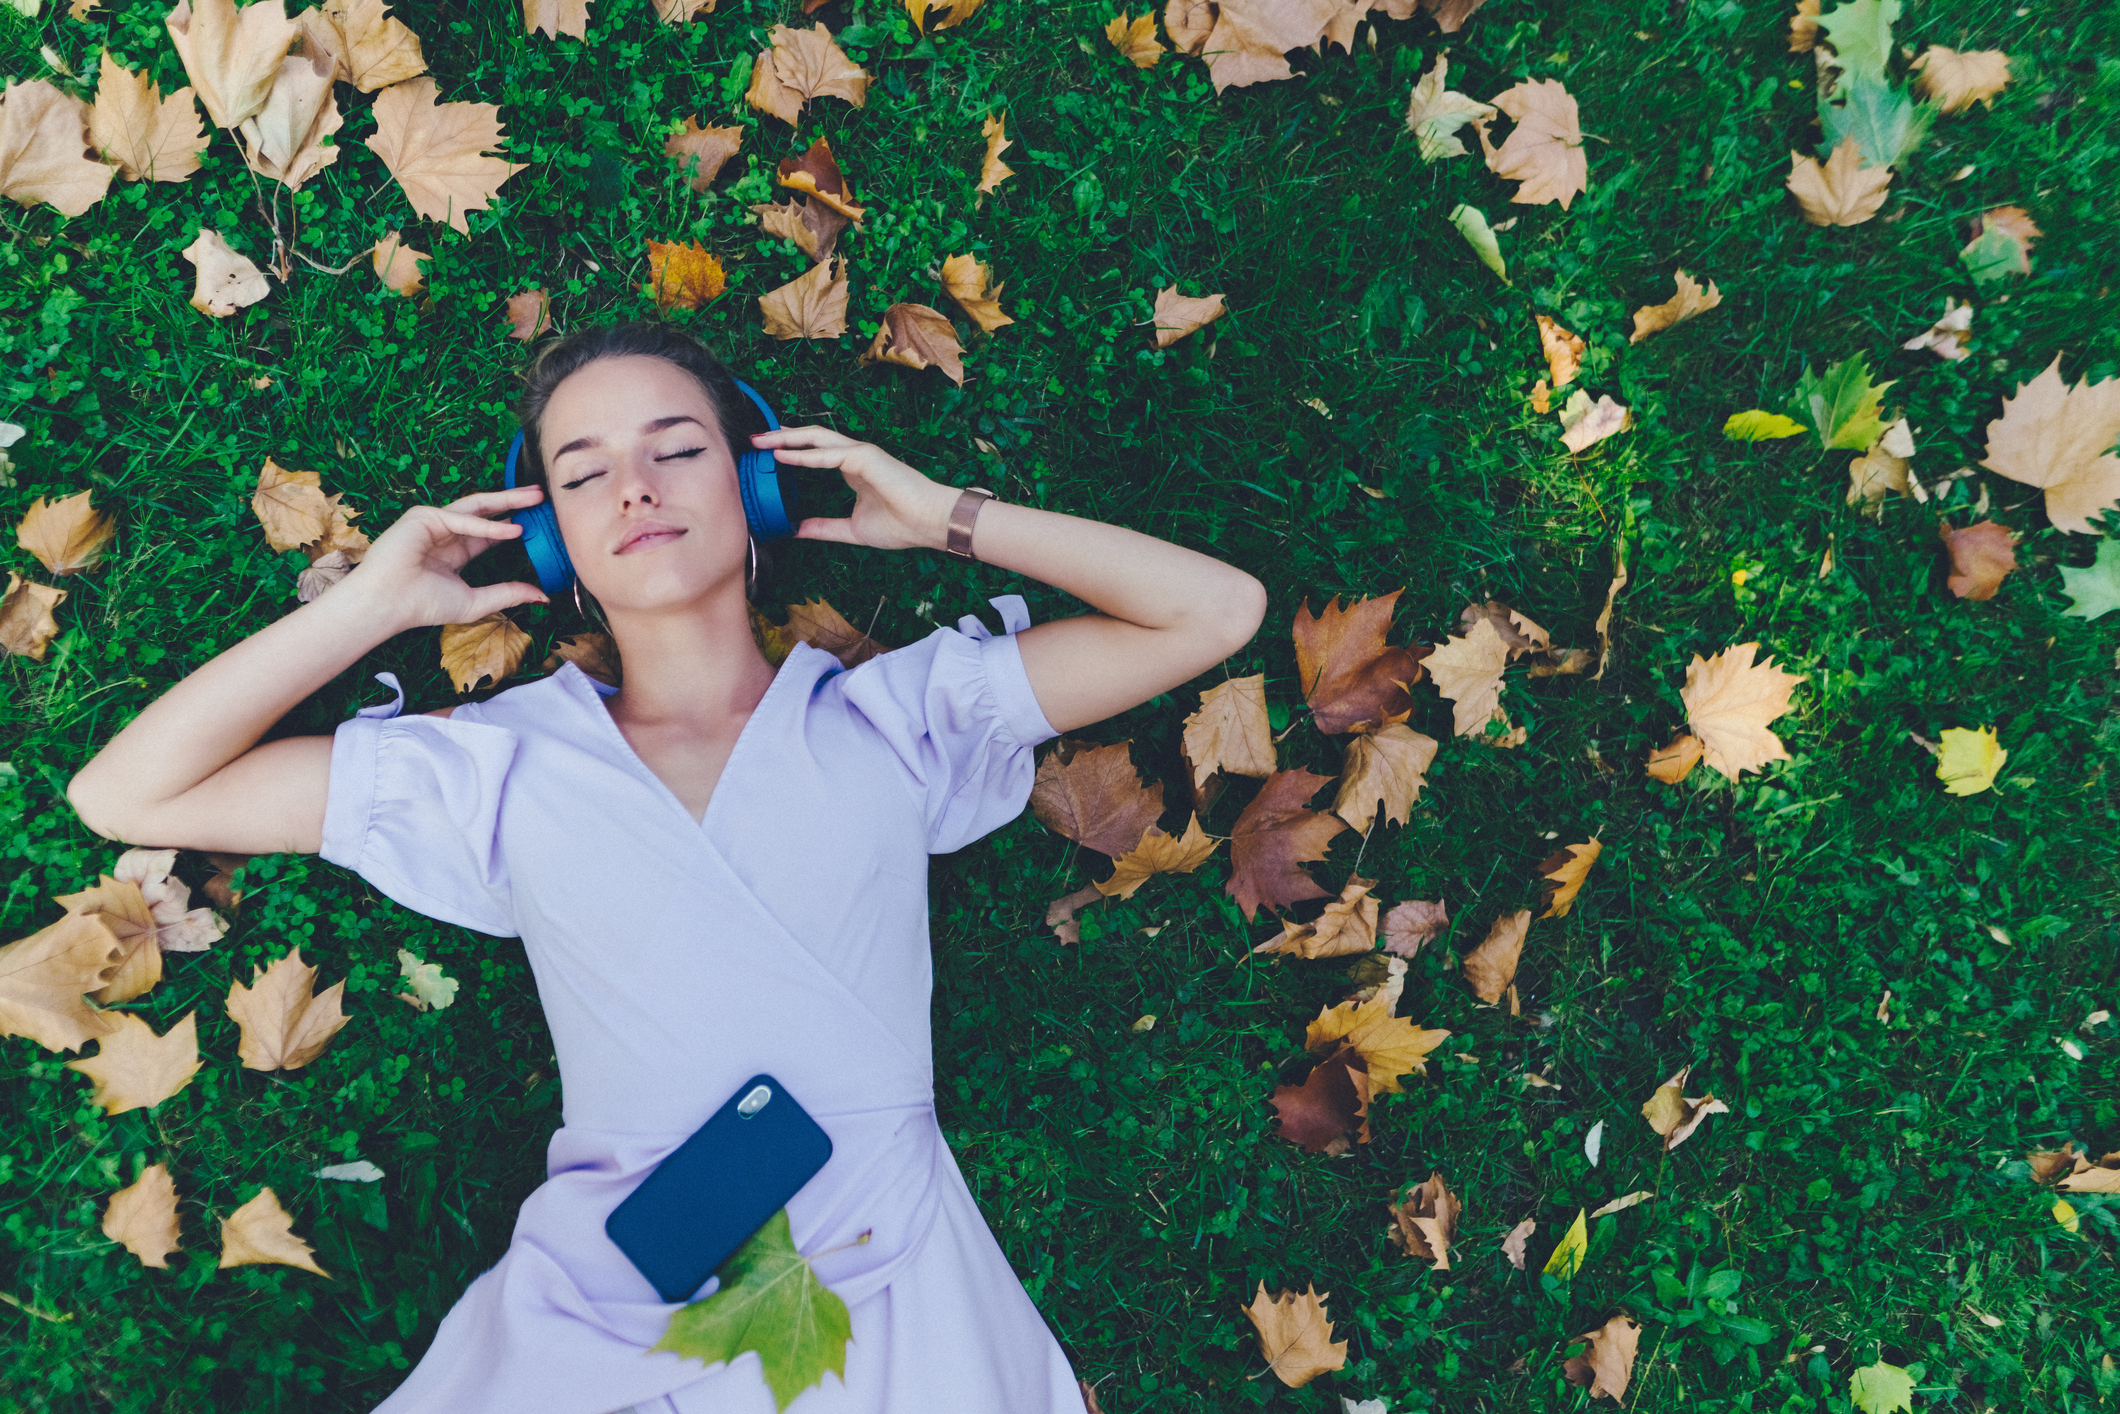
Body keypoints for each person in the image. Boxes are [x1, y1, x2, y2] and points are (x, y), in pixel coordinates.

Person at [66, 320, 1267, 1414]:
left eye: (677, 450)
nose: (631, 486)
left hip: (881, 1267)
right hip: (612, 1282)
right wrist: (372, 607)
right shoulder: (493, 766)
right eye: (582, 474)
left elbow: (1213, 611)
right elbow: (126, 792)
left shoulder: (900, 720)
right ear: (554, 540)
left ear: (755, 487)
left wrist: (942, 515)